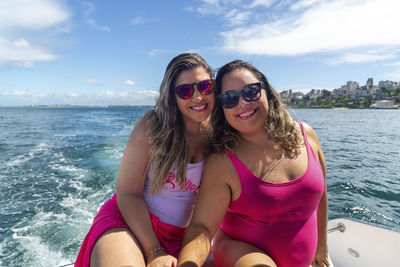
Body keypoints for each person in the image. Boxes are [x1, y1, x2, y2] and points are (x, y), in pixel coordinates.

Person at [178, 60, 329, 267]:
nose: (242, 103)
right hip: (239, 253)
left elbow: (321, 196)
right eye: (230, 98)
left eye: (250, 91)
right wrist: (188, 264)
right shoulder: (223, 162)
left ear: (265, 91)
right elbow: (202, 227)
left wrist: (322, 247)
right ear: (222, 108)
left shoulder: (307, 135)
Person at [75, 53, 215, 267]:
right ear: (172, 97)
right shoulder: (153, 127)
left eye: (204, 86)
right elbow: (127, 192)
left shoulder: (219, 137)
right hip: (129, 225)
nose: (197, 97)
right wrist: (154, 251)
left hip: (181, 237)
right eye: (185, 91)